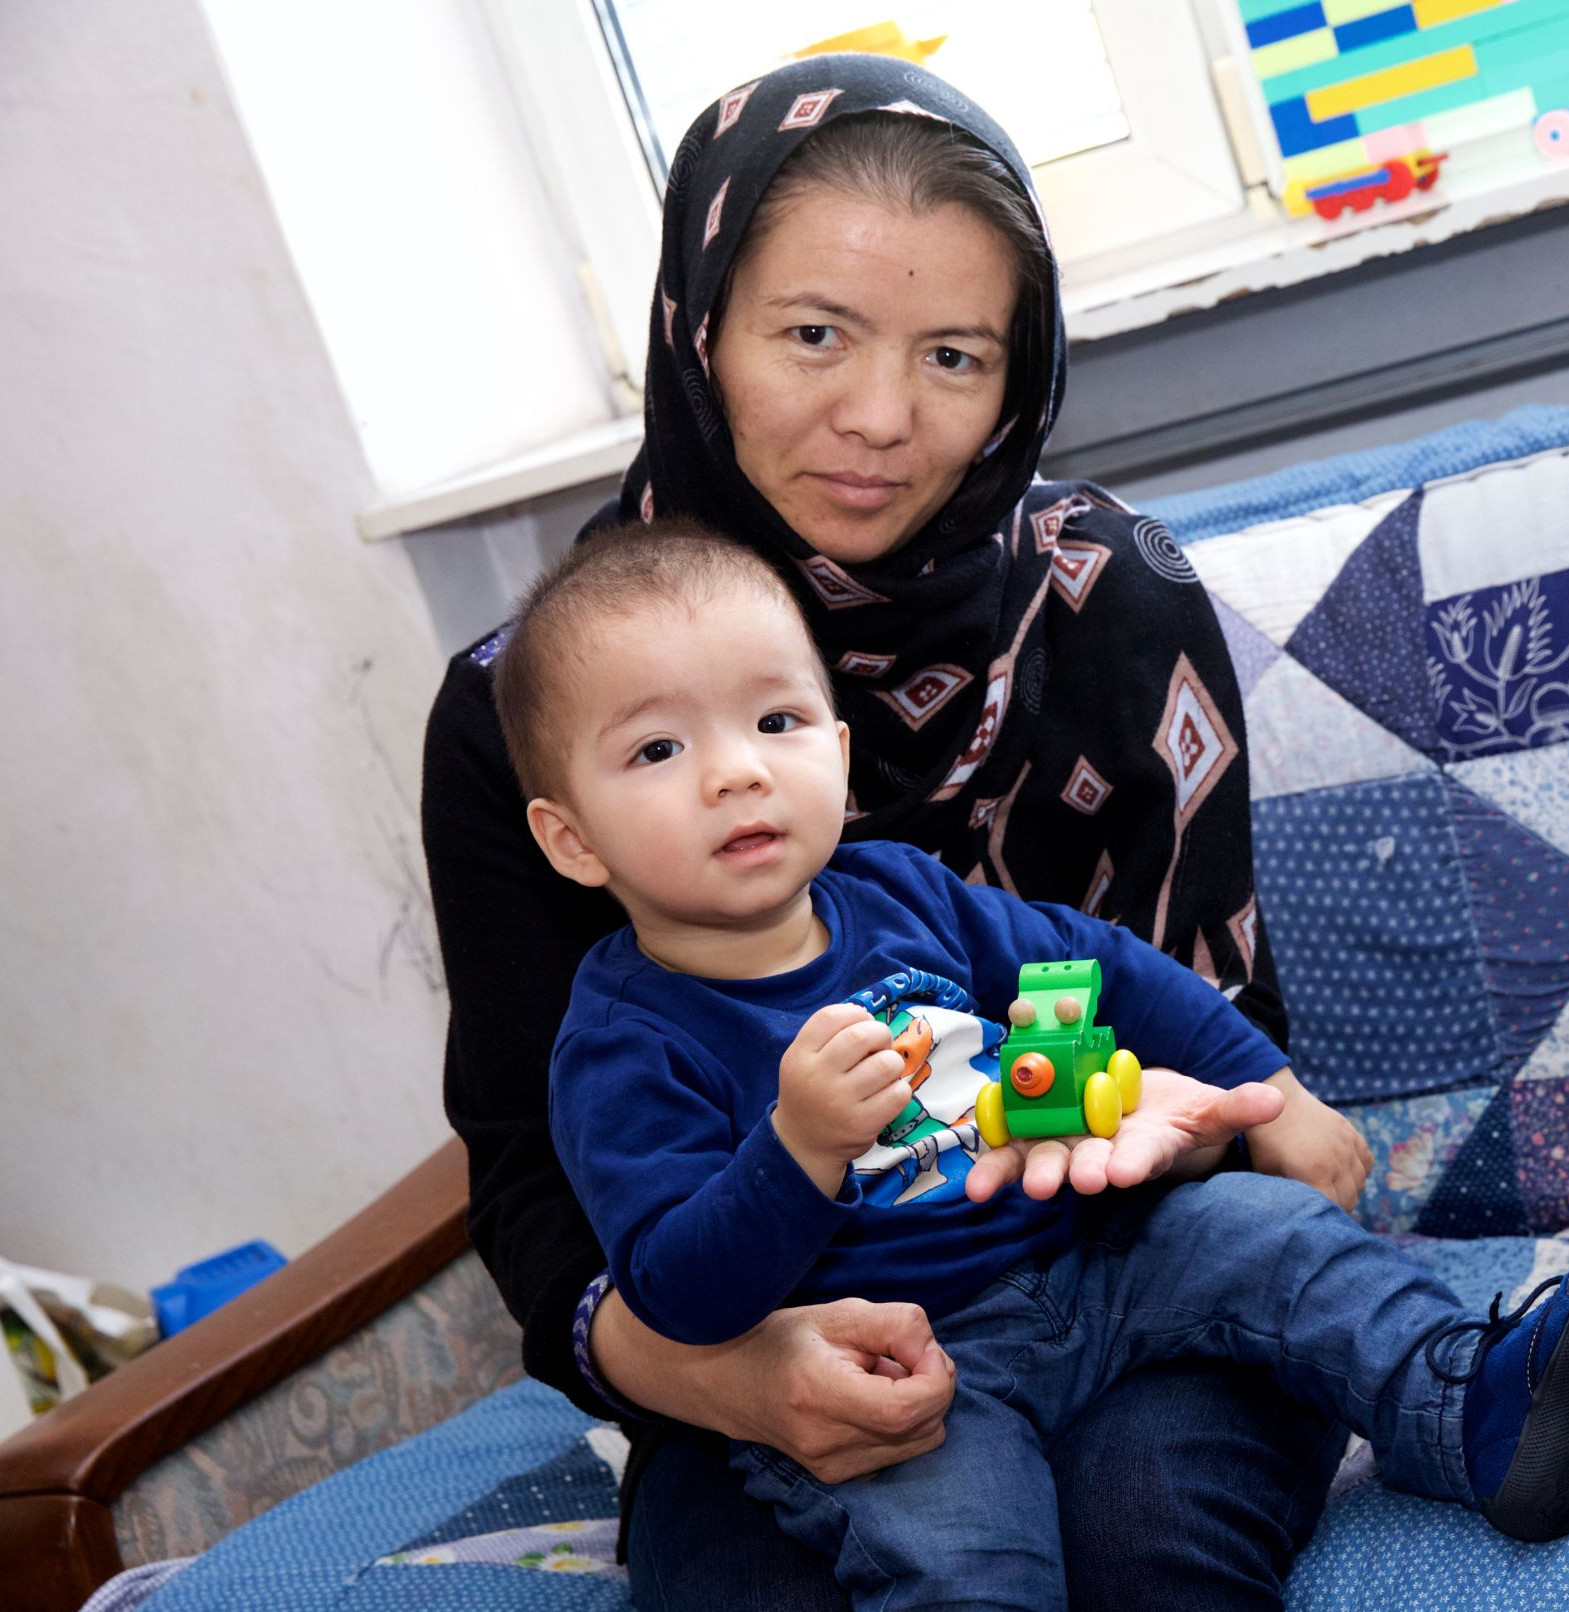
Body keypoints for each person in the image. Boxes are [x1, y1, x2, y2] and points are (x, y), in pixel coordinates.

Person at [422, 51, 1370, 1611]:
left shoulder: (1117, 602)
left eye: (953, 354)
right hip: (761, 1321)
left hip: (1129, 1270)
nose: (879, 418)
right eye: (813, 335)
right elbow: (534, 1172)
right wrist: (721, 1376)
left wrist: (1179, 1129)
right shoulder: (533, 700)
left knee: (1148, 1556)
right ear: (698, 327)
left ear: (1023, 373)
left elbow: (1217, 1031)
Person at [493, 520, 1569, 1612]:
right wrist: (797, 1147)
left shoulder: (908, 892)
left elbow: (1107, 967)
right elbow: (676, 1289)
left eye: (777, 720)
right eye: (658, 749)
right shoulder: (622, 1043)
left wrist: (1269, 1091)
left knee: (1273, 1234)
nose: (737, 771)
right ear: (572, 838)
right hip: (901, 1372)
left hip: (1089, 1261)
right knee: (969, 1564)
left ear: (840, 749)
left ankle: (1473, 1405)